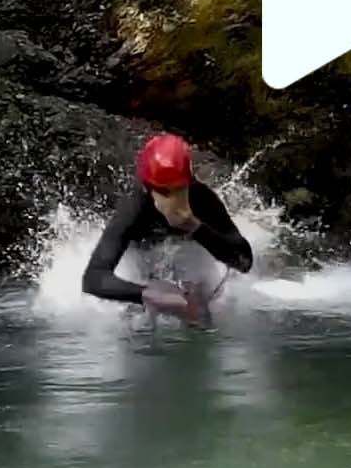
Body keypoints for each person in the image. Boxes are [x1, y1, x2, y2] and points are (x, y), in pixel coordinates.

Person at [81, 132, 253, 326]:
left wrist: (194, 227)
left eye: (180, 188)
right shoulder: (134, 208)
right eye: (164, 191)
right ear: (149, 188)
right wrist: (151, 295)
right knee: (134, 316)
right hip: (139, 253)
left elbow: (244, 262)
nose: (174, 198)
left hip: (183, 250)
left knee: (203, 306)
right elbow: (93, 279)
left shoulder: (201, 199)